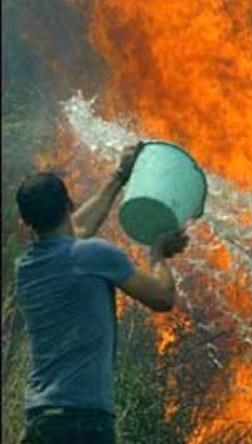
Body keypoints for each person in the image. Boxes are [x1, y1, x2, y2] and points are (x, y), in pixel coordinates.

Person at [13, 143, 190, 444]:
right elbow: (162, 297)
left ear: (27, 222)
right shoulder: (93, 255)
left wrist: (120, 176)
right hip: (83, 421)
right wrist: (158, 253)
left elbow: (75, 231)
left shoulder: (26, 267)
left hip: (40, 418)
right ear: (69, 204)